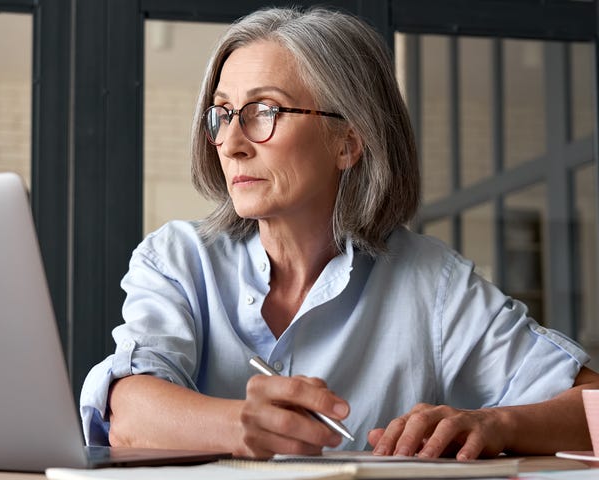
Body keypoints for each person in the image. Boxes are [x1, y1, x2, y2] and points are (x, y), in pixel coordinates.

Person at [80, 6, 599, 460]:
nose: (232, 142)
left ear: (348, 142)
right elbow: (127, 414)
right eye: (222, 114)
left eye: (265, 111)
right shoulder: (177, 258)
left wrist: (495, 424)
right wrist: (244, 425)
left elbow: (591, 405)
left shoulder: (433, 283)